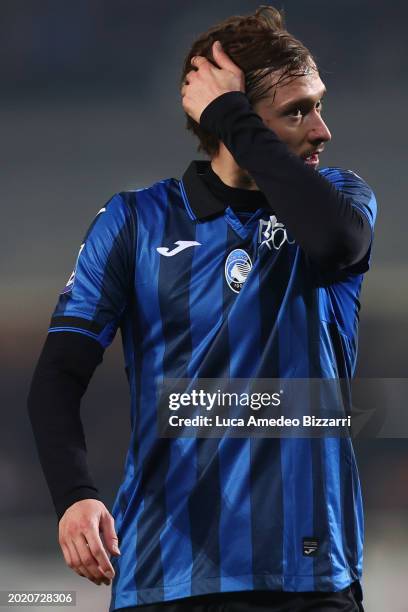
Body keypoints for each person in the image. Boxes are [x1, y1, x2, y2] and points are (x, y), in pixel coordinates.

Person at [27, 6, 376, 612]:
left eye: (317, 104)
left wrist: (236, 119)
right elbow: (56, 380)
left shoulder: (340, 200)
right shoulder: (135, 223)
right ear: (234, 120)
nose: (321, 129)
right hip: (169, 574)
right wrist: (75, 495)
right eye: (297, 110)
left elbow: (335, 243)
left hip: (312, 579)